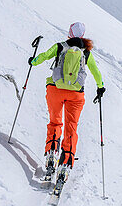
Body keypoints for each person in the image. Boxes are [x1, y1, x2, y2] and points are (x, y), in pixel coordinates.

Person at [28, 22, 105, 181]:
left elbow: (43, 57)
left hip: (55, 90)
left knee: (55, 123)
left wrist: (33, 61)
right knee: (71, 127)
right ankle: (66, 162)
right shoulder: (86, 53)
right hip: (76, 95)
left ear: (69, 33)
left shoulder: (60, 46)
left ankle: (51, 154)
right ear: (83, 35)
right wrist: (100, 87)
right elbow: (96, 72)